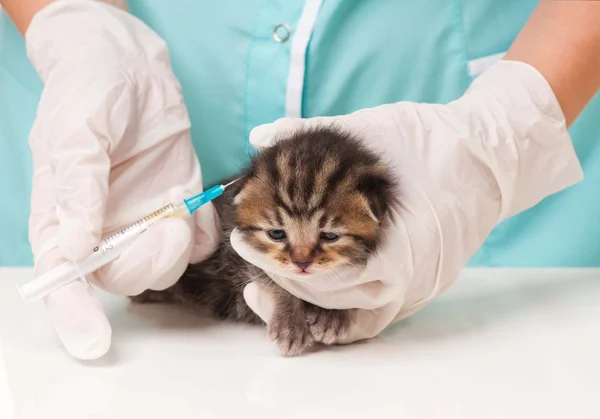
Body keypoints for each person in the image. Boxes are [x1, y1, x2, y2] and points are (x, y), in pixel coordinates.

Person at [0, 0, 598, 359]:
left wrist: (504, 126)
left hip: (502, 188)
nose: (305, 256)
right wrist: (81, 23)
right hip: (130, 126)